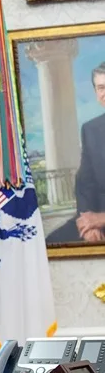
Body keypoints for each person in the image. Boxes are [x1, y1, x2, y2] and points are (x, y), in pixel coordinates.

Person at [47, 62, 105, 243]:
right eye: (101, 88)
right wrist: (88, 223)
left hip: (102, 217)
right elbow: (85, 183)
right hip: (96, 216)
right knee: (52, 242)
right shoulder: (91, 130)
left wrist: (101, 219)